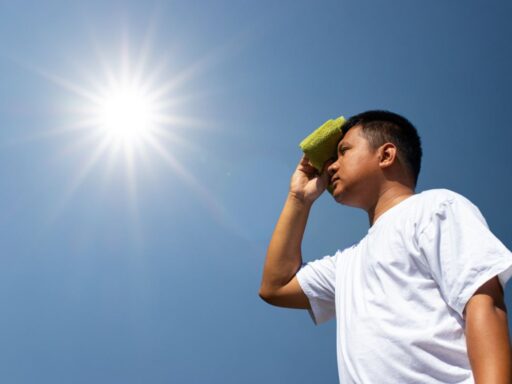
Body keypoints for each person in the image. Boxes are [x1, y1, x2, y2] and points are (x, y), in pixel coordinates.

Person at [259, 110, 512, 383]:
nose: (331, 166)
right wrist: (299, 199)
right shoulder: (347, 263)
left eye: (343, 151)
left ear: (386, 155)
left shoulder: (436, 206)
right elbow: (275, 286)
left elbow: (483, 302)